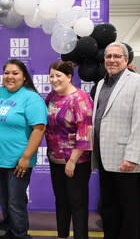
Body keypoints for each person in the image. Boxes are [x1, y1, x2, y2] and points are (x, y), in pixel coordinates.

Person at [92, 42, 140, 239]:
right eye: (108, 56)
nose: (112, 60)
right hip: (103, 156)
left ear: (126, 60)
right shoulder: (101, 83)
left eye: (117, 56)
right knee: (109, 207)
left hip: (125, 159)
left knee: (129, 210)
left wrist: (132, 157)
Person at [0, 59, 48, 239]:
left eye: (15, 73)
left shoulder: (31, 98)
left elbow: (39, 128)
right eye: (7, 73)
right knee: (4, 200)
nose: (10, 77)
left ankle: (20, 234)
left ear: (24, 77)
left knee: (15, 201)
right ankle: (10, 231)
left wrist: (26, 157)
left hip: (18, 160)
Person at [45, 61, 93, 239]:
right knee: (61, 202)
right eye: (52, 76)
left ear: (69, 77)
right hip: (55, 159)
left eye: (59, 75)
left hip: (76, 162)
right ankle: (62, 235)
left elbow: (85, 132)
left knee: (77, 203)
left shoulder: (80, 98)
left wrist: (72, 161)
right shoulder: (51, 97)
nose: (54, 79)